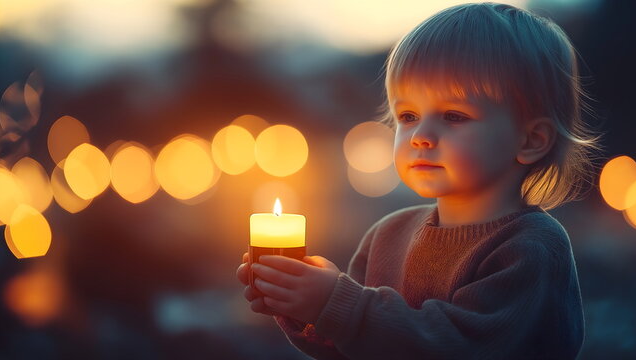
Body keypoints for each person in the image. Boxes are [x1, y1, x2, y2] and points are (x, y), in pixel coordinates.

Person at [236, 2, 603, 359]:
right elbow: (358, 346)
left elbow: (456, 346)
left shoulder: (531, 246)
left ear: (530, 140)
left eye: (454, 115)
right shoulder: (388, 234)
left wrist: (337, 302)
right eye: (408, 115)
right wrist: (307, 308)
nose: (420, 136)